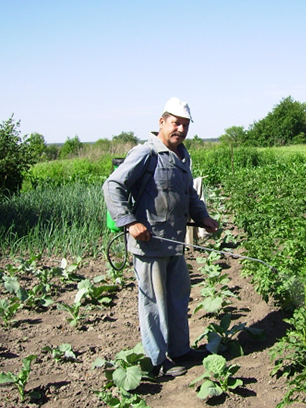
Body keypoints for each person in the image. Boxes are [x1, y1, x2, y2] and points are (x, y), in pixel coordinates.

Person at [103, 97, 218, 376]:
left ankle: (180, 351)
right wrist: (130, 222)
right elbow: (113, 185)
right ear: (162, 122)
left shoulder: (181, 156)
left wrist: (203, 216)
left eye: (185, 125)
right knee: (153, 304)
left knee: (179, 298)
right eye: (176, 123)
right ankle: (156, 362)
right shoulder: (146, 153)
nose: (180, 129)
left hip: (175, 244)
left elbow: (189, 192)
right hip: (150, 244)